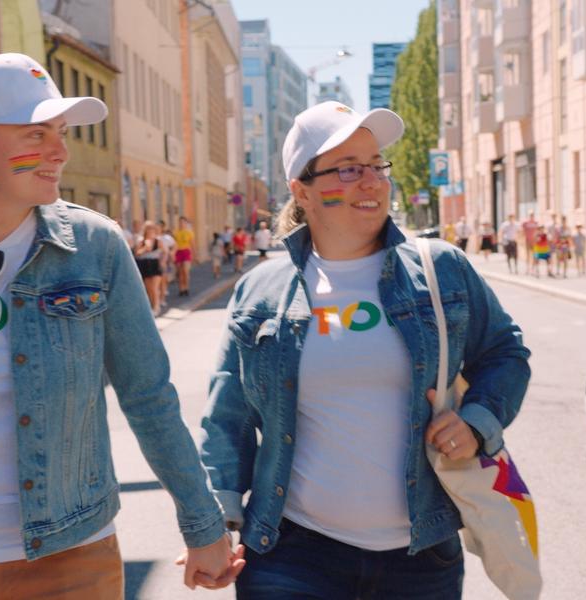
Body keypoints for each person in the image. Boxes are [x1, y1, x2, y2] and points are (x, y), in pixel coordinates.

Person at [199, 101, 531, 599]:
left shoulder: (441, 269)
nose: (373, 181)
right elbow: (230, 416)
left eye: (377, 165)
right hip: (292, 553)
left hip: (420, 558)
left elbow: (506, 352)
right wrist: (214, 522)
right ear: (302, 191)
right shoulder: (262, 290)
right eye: (349, 169)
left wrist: (478, 421)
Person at [0, 52, 242, 597]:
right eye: (36, 134)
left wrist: (203, 524)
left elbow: (148, 395)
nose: (60, 151)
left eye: (59, 132)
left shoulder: (94, 247)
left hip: (71, 557)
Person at [134, 220, 164, 315]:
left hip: (155, 264)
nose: (150, 231)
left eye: (152, 229)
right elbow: (137, 253)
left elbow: (165, 252)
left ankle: (156, 306)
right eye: (148, 229)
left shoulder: (158, 241)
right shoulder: (141, 240)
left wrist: (163, 261)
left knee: (155, 287)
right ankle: (152, 305)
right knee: (149, 288)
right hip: (145, 264)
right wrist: (145, 248)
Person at [173, 216, 194, 297]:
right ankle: (181, 289)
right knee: (180, 272)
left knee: (186, 271)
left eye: (183, 222)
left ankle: (186, 287)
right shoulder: (176, 232)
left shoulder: (189, 232)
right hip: (178, 252)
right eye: (180, 222)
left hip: (186, 252)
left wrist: (194, 255)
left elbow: (192, 244)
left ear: (185, 223)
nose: (181, 224)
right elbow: (174, 244)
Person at [158, 220, 176, 308]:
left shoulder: (166, 238)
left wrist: (172, 253)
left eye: (159, 226)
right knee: (158, 282)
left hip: (165, 261)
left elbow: (175, 246)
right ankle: (158, 299)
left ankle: (162, 299)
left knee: (163, 281)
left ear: (162, 227)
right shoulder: (155, 237)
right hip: (155, 261)